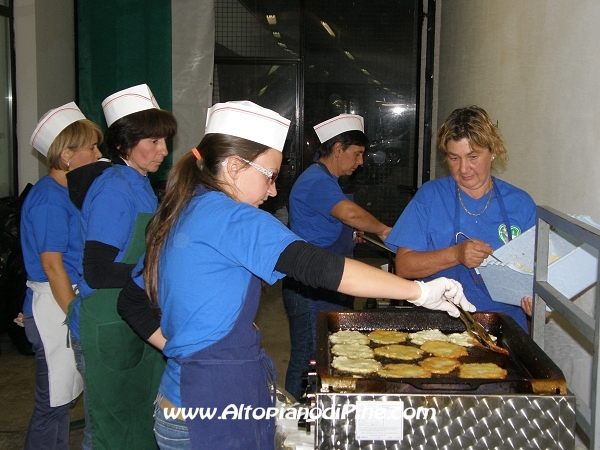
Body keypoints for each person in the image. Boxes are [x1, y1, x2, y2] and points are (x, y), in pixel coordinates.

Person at [124, 100, 474, 450]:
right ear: (233, 166)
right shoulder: (233, 217)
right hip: (211, 412)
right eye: (270, 176)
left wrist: (187, 348)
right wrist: (418, 292)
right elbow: (318, 266)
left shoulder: (186, 206)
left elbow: (132, 298)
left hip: (182, 403)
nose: (274, 191)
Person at [67, 84, 177, 449]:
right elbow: (96, 270)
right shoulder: (115, 188)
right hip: (107, 321)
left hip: (130, 315)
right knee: (111, 427)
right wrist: (156, 274)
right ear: (121, 144)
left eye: (165, 141)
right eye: (153, 141)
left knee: (137, 421)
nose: (163, 150)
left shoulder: (140, 182)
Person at [384, 105, 536, 331]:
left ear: (493, 151)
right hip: (440, 325)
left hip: (504, 327)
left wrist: (539, 303)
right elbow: (404, 267)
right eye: (454, 158)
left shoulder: (521, 204)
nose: (463, 168)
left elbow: (539, 275)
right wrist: (456, 254)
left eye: (473, 156)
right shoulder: (431, 197)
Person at [282, 114, 392, 401]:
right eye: (357, 154)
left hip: (330, 282)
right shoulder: (316, 181)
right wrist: (383, 230)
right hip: (309, 287)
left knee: (330, 354)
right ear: (338, 148)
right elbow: (350, 213)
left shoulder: (327, 181)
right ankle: (294, 418)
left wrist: (347, 235)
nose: (361, 162)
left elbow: (335, 222)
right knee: (307, 359)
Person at [20, 102, 102, 449]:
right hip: (56, 306)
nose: (98, 154)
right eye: (92, 148)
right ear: (67, 154)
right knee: (52, 403)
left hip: (64, 299)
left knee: (63, 399)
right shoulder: (50, 199)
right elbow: (52, 266)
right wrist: (75, 316)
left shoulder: (67, 192)